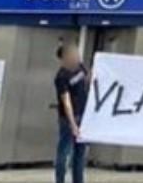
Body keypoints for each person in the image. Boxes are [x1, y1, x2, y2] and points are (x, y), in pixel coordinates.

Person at [54, 43, 89, 183]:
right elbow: (65, 101)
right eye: (73, 54)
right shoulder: (61, 76)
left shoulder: (81, 68)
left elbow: (88, 80)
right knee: (64, 152)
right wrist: (73, 124)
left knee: (80, 154)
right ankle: (60, 179)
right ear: (65, 57)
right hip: (69, 119)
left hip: (83, 116)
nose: (77, 56)